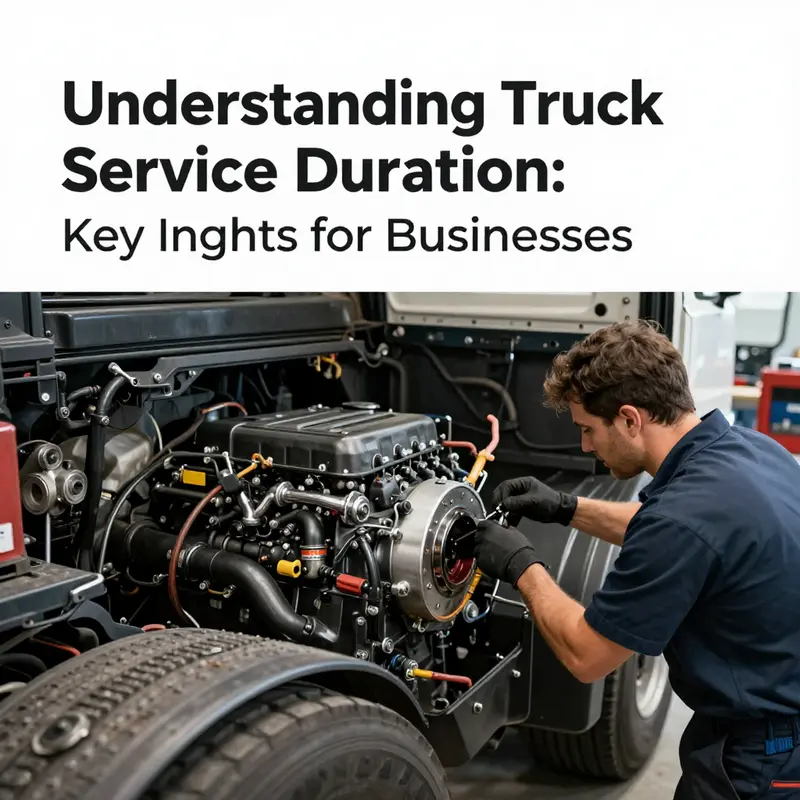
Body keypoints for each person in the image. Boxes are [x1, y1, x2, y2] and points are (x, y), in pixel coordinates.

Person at [474, 319, 800, 800]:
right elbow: (678, 538)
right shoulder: (752, 450)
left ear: (630, 419)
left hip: (763, 758)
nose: (586, 446)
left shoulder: (682, 519)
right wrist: (565, 507)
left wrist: (522, 564)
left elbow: (587, 656)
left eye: (588, 429)